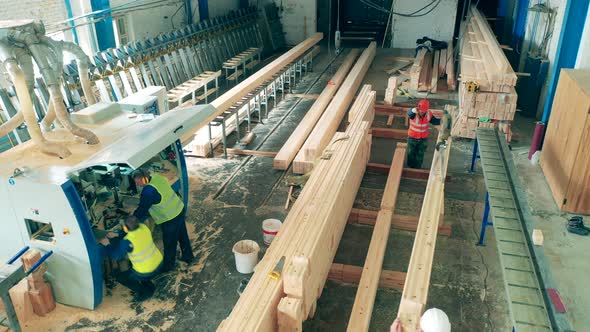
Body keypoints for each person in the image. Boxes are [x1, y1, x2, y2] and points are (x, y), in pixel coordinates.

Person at [132, 168, 194, 272]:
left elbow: (142, 209)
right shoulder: (156, 177)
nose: (137, 185)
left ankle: (168, 266)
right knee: (182, 235)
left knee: (169, 243)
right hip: (178, 209)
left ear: (145, 179)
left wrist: (132, 219)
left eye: (138, 182)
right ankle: (188, 257)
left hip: (170, 218)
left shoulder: (148, 191)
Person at [100, 216, 163, 301]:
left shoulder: (127, 241)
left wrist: (107, 244)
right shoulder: (143, 227)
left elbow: (116, 256)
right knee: (136, 269)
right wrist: (118, 234)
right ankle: (148, 284)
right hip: (159, 263)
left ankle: (145, 292)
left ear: (125, 228)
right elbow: (133, 232)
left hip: (146, 271)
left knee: (121, 277)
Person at [406, 99, 441, 169]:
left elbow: (435, 121)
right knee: (411, 153)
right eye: (421, 110)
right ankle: (410, 168)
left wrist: (443, 120)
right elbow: (409, 113)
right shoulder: (413, 113)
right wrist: (413, 110)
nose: (422, 112)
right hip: (412, 138)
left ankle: (417, 168)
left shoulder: (429, 114)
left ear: (427, 109)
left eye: (424, 111)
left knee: (420, 154)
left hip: (423, 139)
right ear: (418, 108)